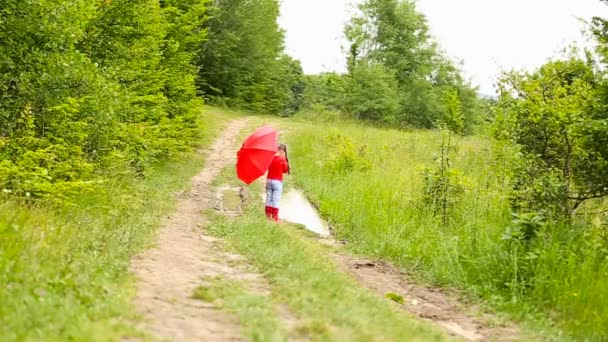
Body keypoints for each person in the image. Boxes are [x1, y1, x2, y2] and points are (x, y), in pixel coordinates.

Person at [265, 144, 290, 221]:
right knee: (276, 199)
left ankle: (268, 215)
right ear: (282, 151)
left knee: (269, 198)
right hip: (277, 181)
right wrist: (288, 165)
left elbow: (267, 167)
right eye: (283, 152)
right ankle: (275, 217)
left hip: (269, 180)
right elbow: (285, 170)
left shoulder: (270, 158)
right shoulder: (282, 159)